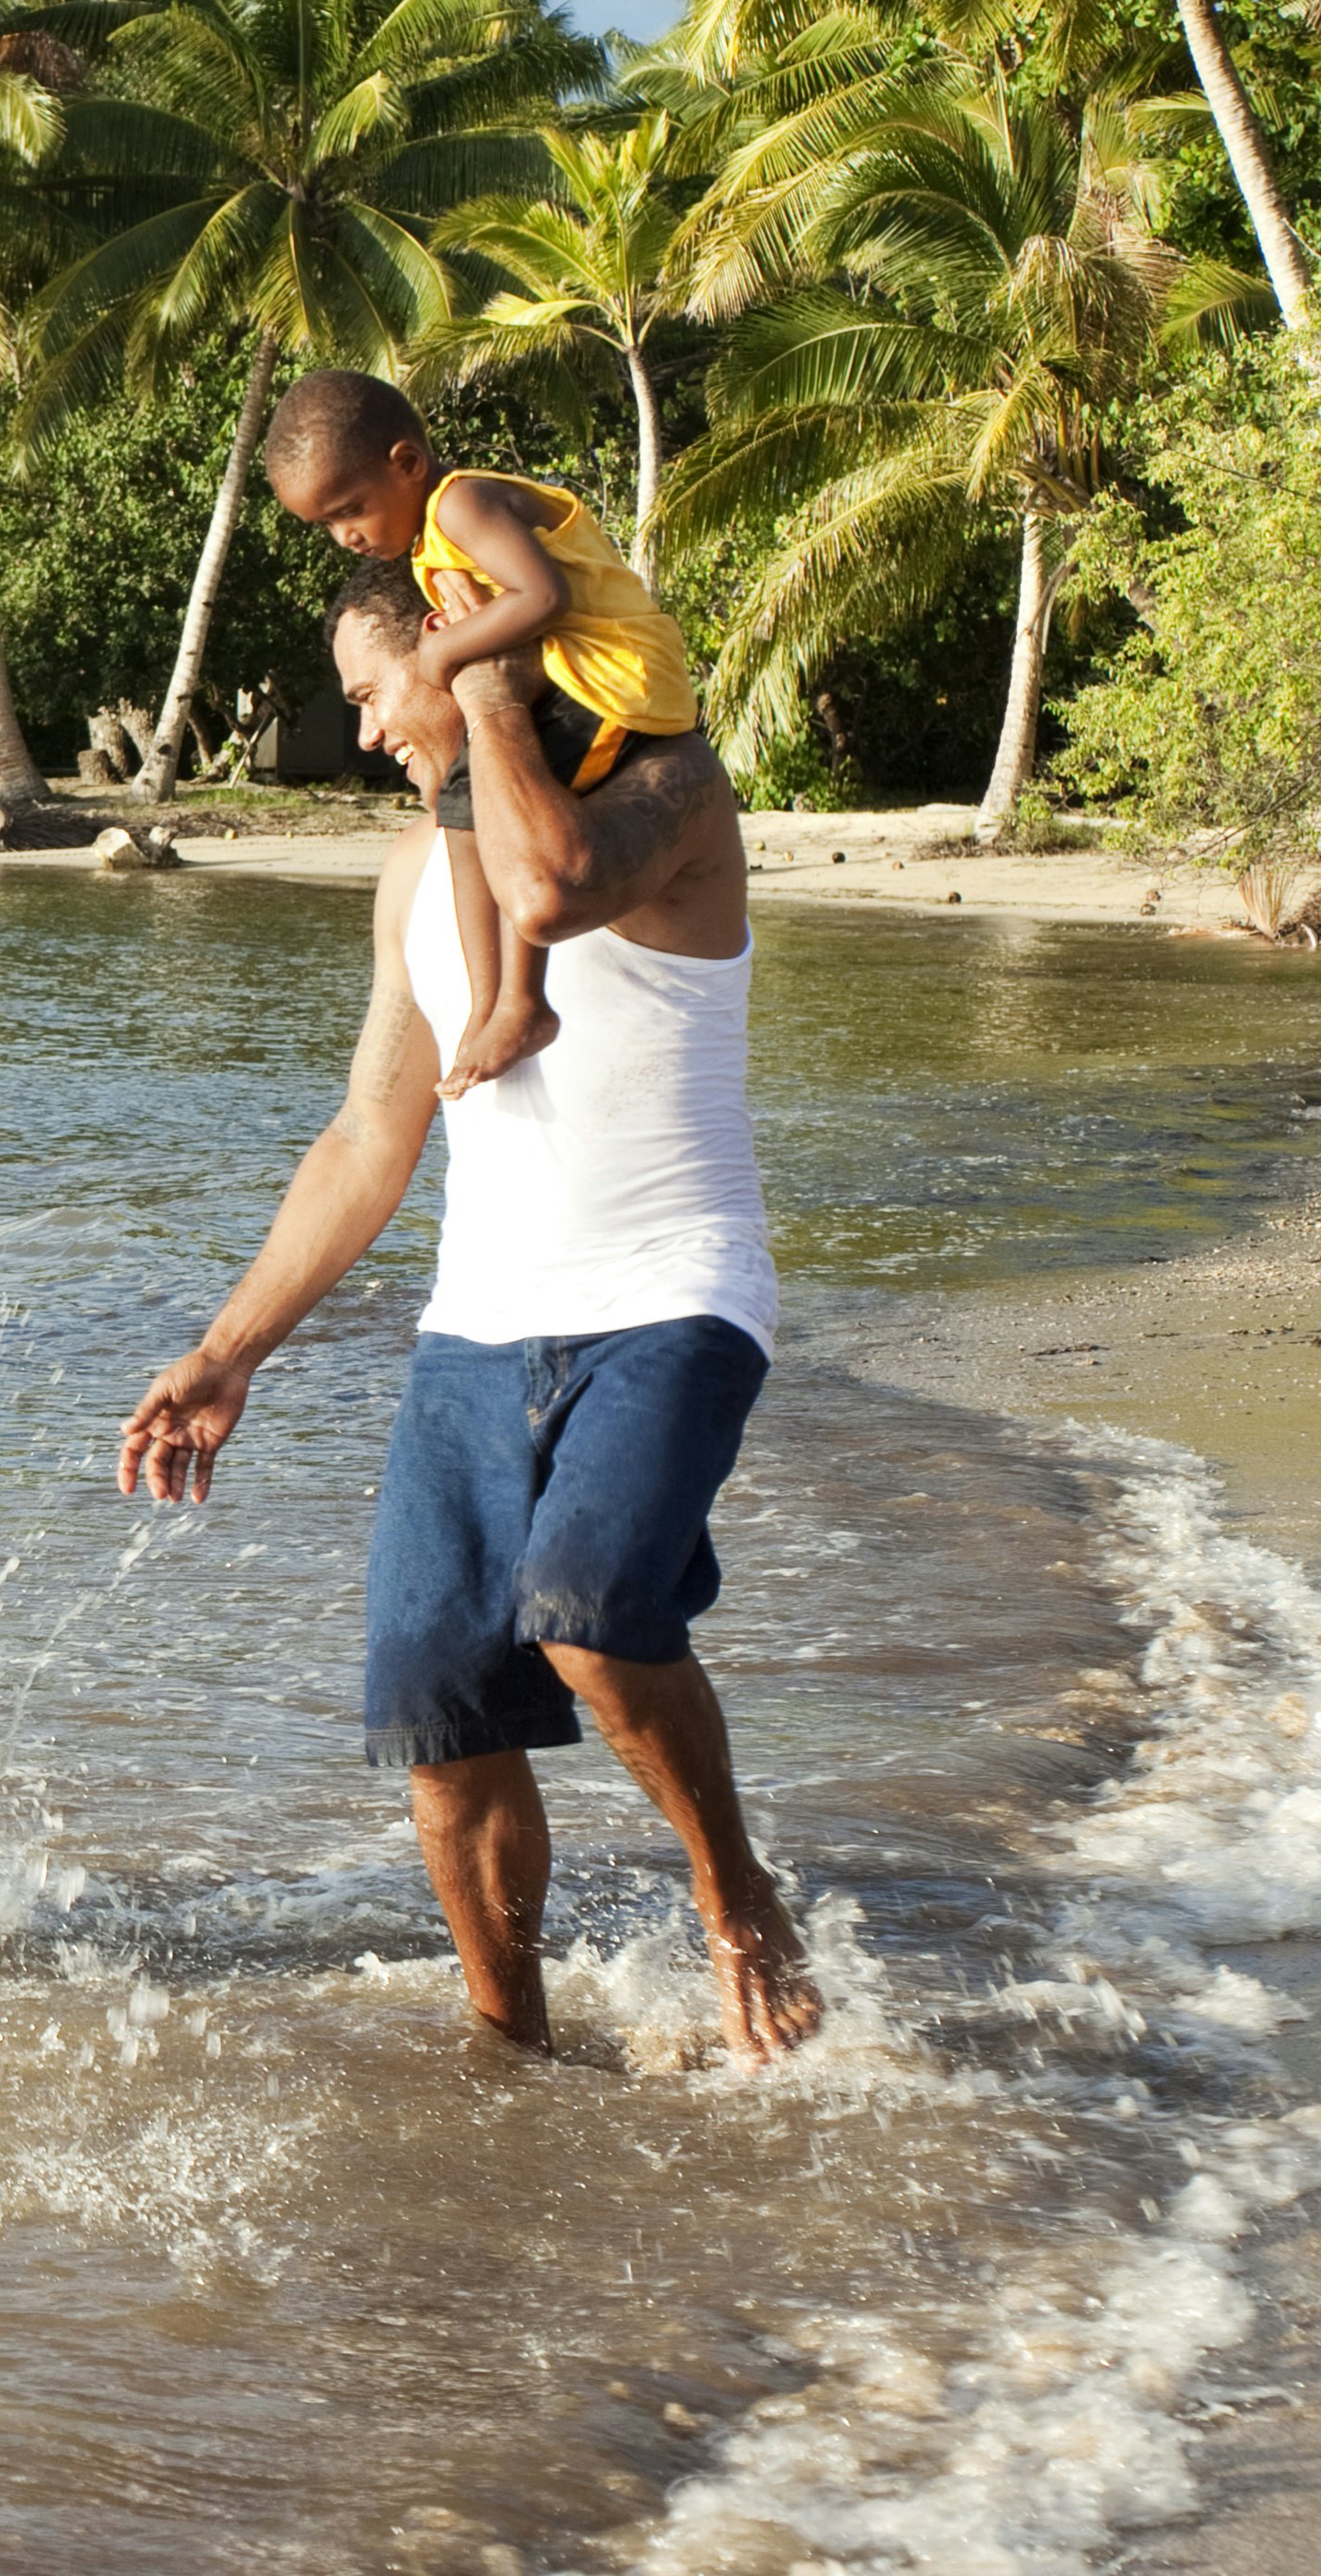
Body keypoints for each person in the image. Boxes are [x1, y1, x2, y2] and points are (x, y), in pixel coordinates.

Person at [116, 556, 822, 2067]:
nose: (364, 730)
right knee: (439, 1704)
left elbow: (551, 882)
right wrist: (226, 1349)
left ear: (458, 648)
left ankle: (733, 1888)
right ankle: (514, 2058)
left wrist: (496, 693)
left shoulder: (663, 792)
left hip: (671, 1291)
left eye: (373, 689)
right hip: (477, 1322)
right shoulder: (401, 879)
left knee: (586, 1610)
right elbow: (371, 1137)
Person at [264, 369, 697, 1101]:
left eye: (352, 510)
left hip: (612, 682)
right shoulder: (435, 532)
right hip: (576, 678)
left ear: (406, 462)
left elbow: (544, 596)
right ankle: (491, 998)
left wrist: (441, 655)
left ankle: (523, 1003)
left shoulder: (461, 504)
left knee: (502, 810)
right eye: (327, 526)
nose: (346, 537)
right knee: (462, 809)